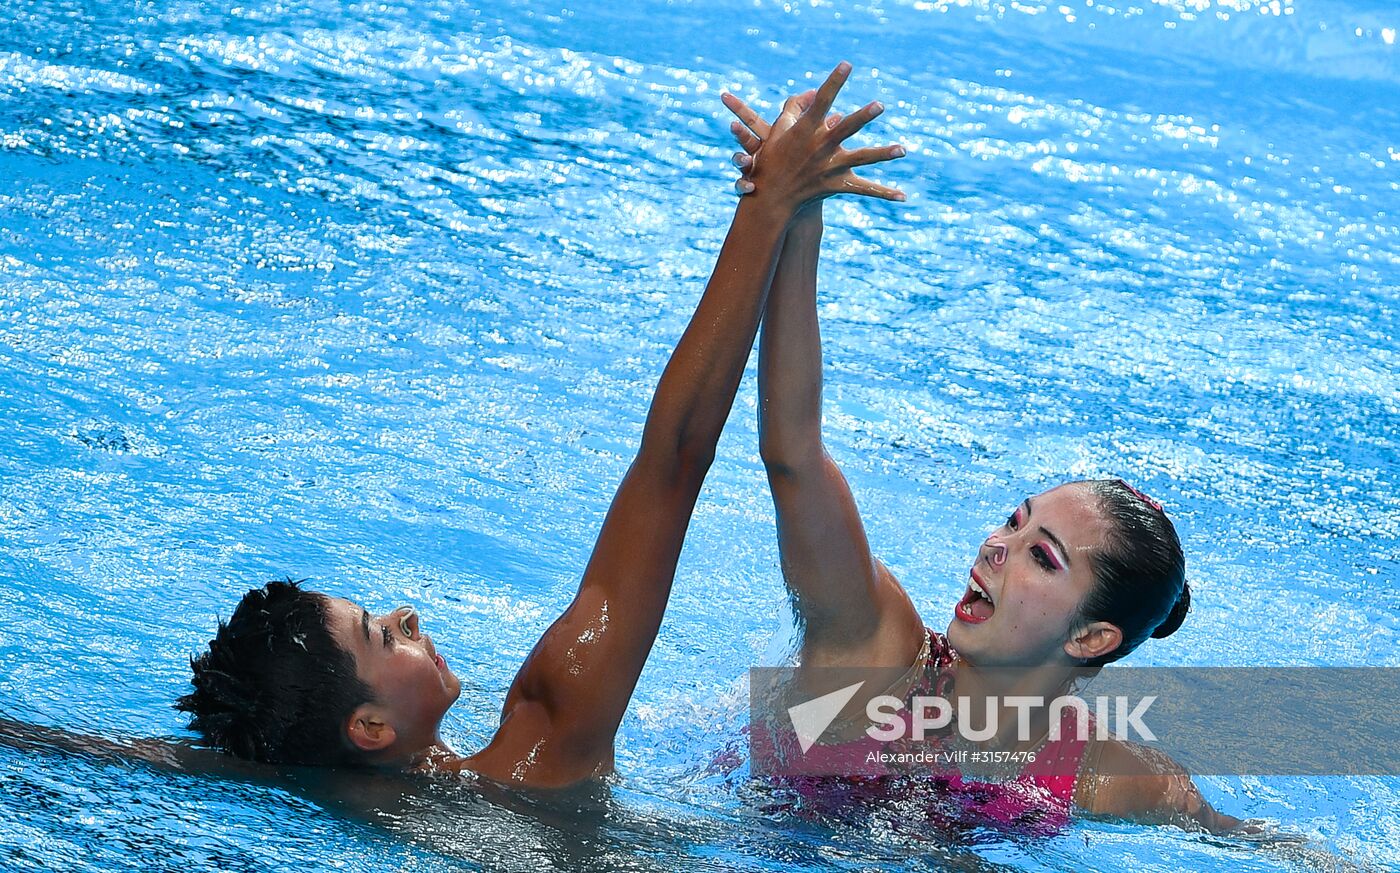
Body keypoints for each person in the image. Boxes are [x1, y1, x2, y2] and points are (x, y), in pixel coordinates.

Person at [167, 63, 909, 788]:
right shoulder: (544, 739)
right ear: (369, 728)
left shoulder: (343, 796)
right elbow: (674, 461)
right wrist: (768, 206)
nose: (405, 614)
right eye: (382, 634)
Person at [722, 87, 1245, 834]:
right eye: (1013, 519)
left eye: (1041, 555)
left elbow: (1248, 839)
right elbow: (793, 457)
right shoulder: (872, 647)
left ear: (1091, 638)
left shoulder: (1103, 774)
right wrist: (800, 219)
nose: (995, 545)